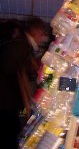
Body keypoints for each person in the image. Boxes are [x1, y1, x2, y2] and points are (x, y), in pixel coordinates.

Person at [0, 17, 48, 149]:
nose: (43, 38)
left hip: (11, 101)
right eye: (43, 34)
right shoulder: (21, 46)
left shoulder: (22, 45)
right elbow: (10, 69)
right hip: (7, 102)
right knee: (10, 131)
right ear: (36, 32)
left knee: (13, 128)